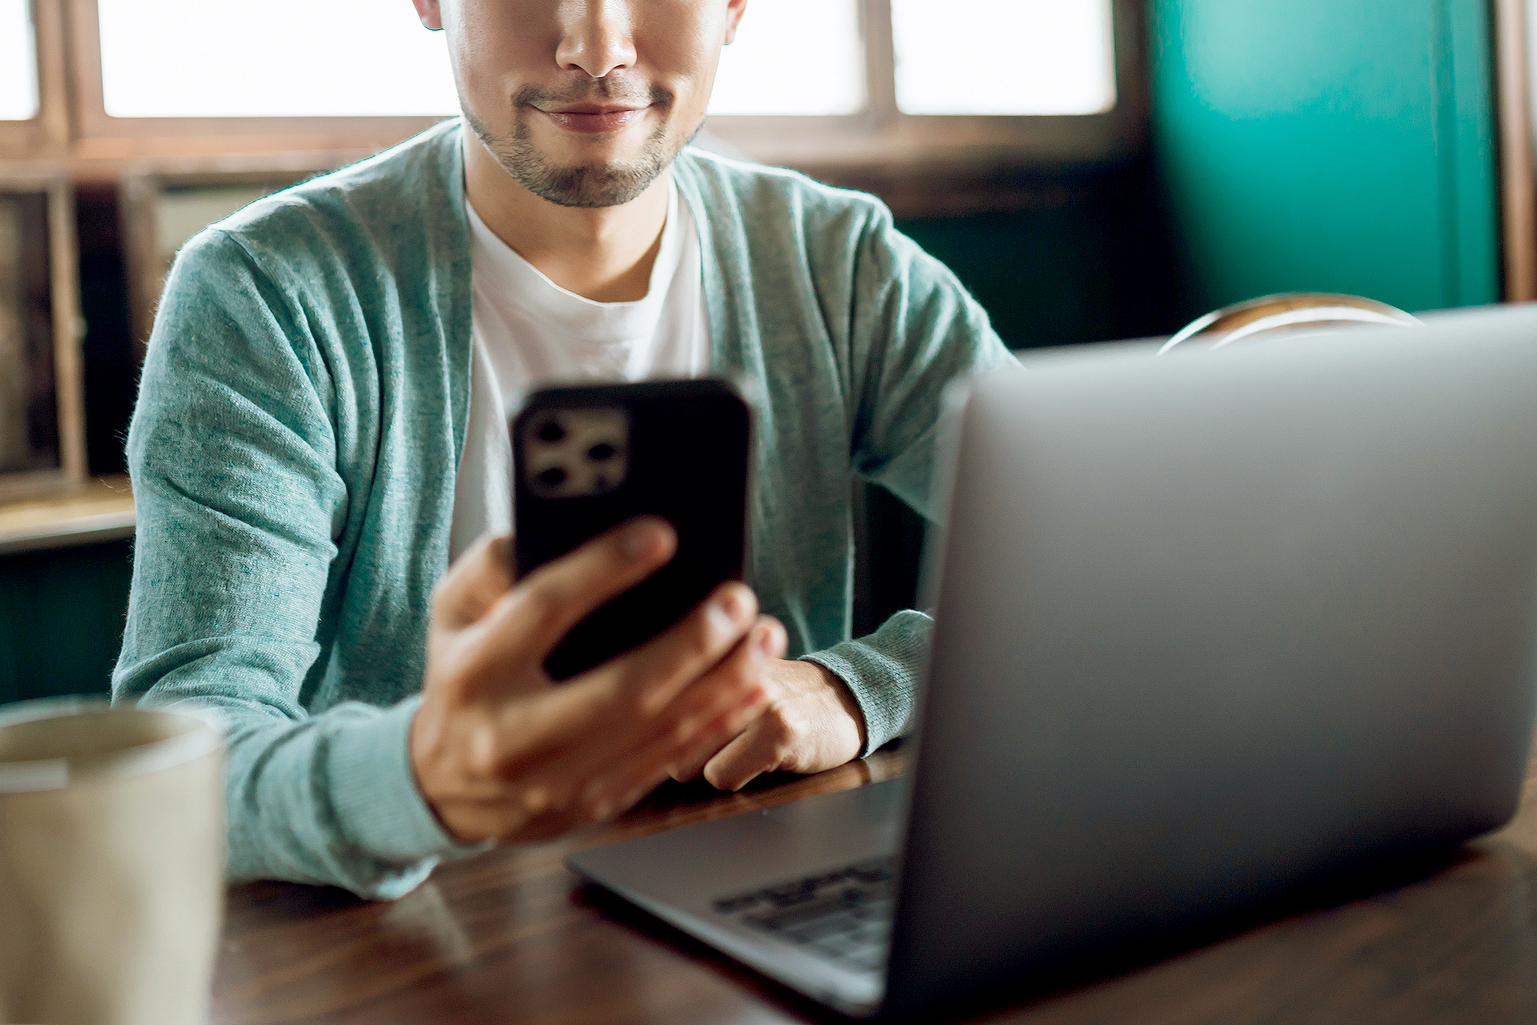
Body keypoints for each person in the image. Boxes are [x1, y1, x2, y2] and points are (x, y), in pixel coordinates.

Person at [113, 0, 1013, 899]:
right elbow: (183, 764)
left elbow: (1084, 572)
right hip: (405, 942)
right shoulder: (265, 297)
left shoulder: (839, 267)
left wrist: (859, 687)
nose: (596, 48)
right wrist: (424, 778)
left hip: (756, 909)